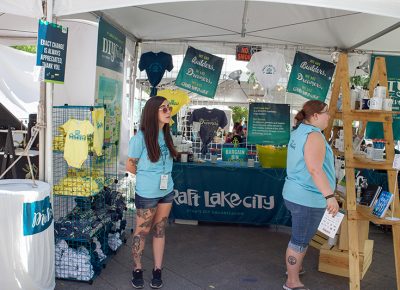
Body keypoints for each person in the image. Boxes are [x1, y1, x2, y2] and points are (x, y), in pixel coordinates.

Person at [282, 100, 339, 290]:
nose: (328, 116)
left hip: (295, 193)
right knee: (300, 240)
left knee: (300, 237)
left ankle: (294, 269)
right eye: (326, 113)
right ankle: (292, 282)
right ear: (314, 116)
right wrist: (329, 196)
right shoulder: (313, 135)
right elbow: (315, 169)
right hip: (307, 197)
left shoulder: (299, 131)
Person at [126, 96, 177, 289]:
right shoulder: (140, 138)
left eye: (168, 107)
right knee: (142, 231)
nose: (168, 111)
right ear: (152, 112)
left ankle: (157, 269)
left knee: (160, 229)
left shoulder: (167, 135)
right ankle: (137, 268)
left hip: (167, 190)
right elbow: (130, 166)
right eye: (163, 108)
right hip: (147, 193)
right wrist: (148, 178)